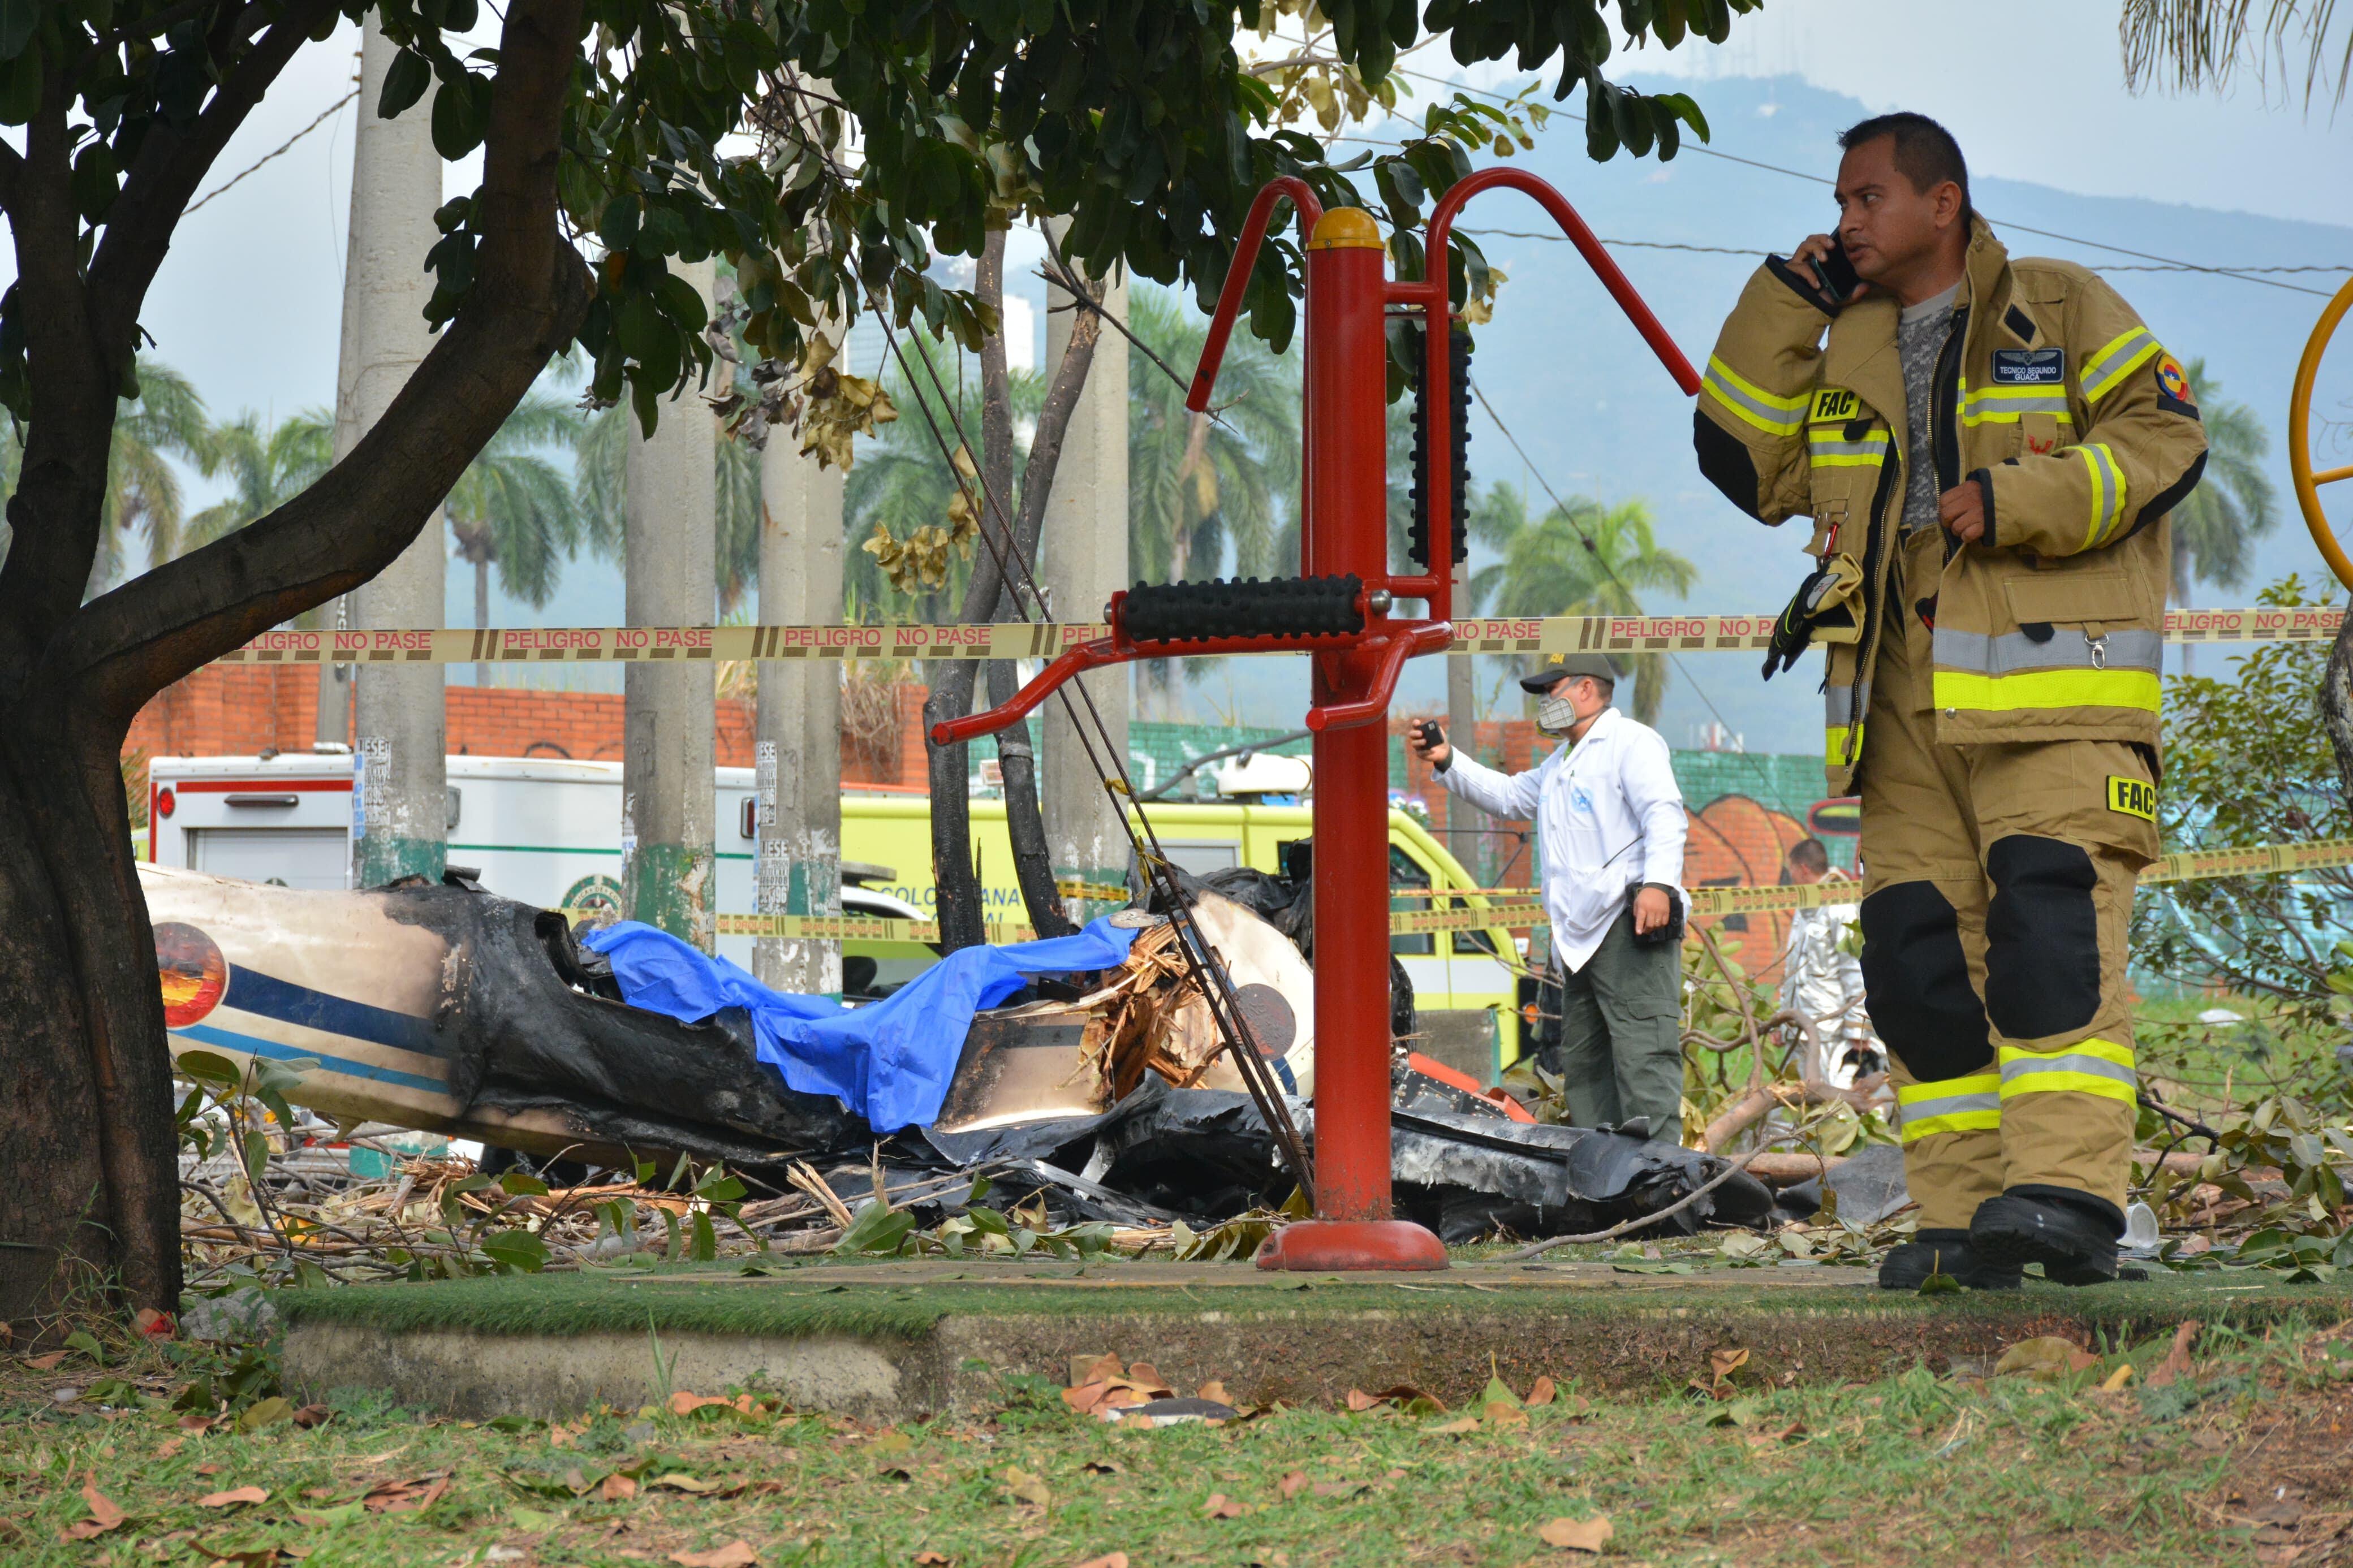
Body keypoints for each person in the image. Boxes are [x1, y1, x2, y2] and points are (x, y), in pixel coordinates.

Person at [1693, 113, 2207, 1289]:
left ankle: (2067, 1197)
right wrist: (1787, 300)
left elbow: (2166, 438)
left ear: (1943, 202)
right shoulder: (1847, 345)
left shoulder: (2058, 306)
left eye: (1867, 197)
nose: (1845, 221)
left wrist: (2021, 496)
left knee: (2049, 939)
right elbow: (1742, 459)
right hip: (1898, 701)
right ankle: (1962, 1218)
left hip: (2054, 695)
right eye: (1838, 202)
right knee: (1917, 966)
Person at [1410, 654, 1688, 1141]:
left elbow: (1664, 814)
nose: (1544, 702)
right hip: (1578, 940)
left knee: (1644, 1057)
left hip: (1628, 926)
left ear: (1586, 689)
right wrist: (1447, 759)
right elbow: (1506, 795)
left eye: (1551, 690)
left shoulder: (1631, 743)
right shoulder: (1559, 765)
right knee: (1585, 1065)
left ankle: (1664, 1172)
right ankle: (1602, 1170)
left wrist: (1659, 884)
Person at [1777, 837, 1882, 1089]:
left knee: (1828, 1099)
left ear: (1803, 869)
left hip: (1828, 1032)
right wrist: (1782, 1021)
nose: (1791, 877)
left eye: (1792, 870)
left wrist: (1858, 1028)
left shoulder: (1840, 907)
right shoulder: (1805, 908)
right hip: (1799, 1030)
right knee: (1796, 1100)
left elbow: (1854, 969)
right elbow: (1793, 969)